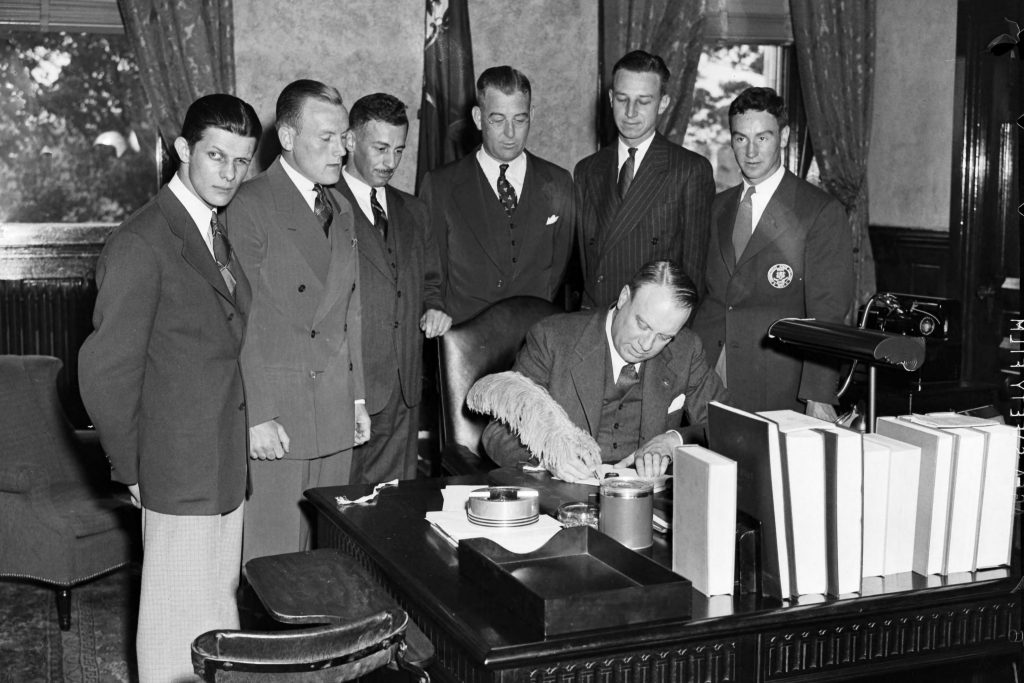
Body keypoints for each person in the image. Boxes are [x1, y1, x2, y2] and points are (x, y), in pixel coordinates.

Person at [79, 94, 260, 682]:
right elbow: (105, 374)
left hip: (220, 463)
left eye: (242, 161)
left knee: (213, 621)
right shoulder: (142, 241)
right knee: (173, 637)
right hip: (176, 469)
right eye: (215, 156)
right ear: (182, 150)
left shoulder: (209, 227)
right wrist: (133, 469)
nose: (230, 174)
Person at [226, 79, 369, 562]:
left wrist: (357, 398)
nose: (340, 152)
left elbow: (350, 312)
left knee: (329, 559)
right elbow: (238, 322)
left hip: (333, 409)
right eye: (325, 139)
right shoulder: (249, 203)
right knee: (272, 564)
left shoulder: (343, 208)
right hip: (278, 419)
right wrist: (257, 414)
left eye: (343, 138)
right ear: (287, 138)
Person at [481, 260, 726, 481]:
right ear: (623, 297)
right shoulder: (553, 339)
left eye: (664, 337)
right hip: (564, 498)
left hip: (643, 502)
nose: (647, 344)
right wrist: (550, 456)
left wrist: (672, 441)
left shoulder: (687, 350)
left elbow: (728, 426)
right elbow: (497, 433)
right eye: (642, 325)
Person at [690, 87, 853, 418]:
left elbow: (828, 313)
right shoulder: (716, 207)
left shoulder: (818, 211)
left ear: (784, 136)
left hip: (777, 381)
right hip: (708, 372)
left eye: (762, 138)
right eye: (740, 139)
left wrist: (818, 394)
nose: (750, 151)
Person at [337, 93, 450, 483]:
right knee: (346, 506)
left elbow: (431, 281)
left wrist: (434, 307)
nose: (390, 162)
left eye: (399, 150)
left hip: (405, 388)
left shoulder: (415, 211)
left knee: (395, 505)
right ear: (350, 141)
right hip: (351, 389)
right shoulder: (326, 204)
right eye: (380, 148)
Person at [420, 65, 575, 324]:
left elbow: (558, 271)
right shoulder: (440, 185)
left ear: (532, 115)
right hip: (466, 343)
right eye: (497, 119)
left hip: (536, 338)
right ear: (478, 117)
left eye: (520, 119)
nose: (510, 133)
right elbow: (432, 274)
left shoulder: (559, 182)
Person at [575, 50, 715, 308]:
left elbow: (694, 273)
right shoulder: (586, 170)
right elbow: (586, 268)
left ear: (663, 103)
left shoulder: (689, 170)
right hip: (593, 323)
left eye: (644, 101)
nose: (630, 112)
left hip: (652, 327)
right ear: (610, 98)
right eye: (622, 99)